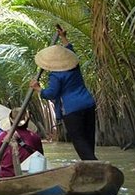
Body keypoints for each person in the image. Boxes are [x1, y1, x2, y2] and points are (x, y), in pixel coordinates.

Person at [30, 26, 98, 160]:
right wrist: (63, 37)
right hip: (88, 104)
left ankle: (95, 166)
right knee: (88, 140)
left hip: (72, 110)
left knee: (79, 141)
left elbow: (51, 94)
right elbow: (70, 50)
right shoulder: (74, 66)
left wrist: (38, 88)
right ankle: (92, 166)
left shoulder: (56, 75)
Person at [0, 107, 44, 178]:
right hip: (30, 175)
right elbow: (41, 157)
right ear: (27, 121)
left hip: (6, 175)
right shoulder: (35, 137)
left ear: (10, 121)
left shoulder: (3, 136)